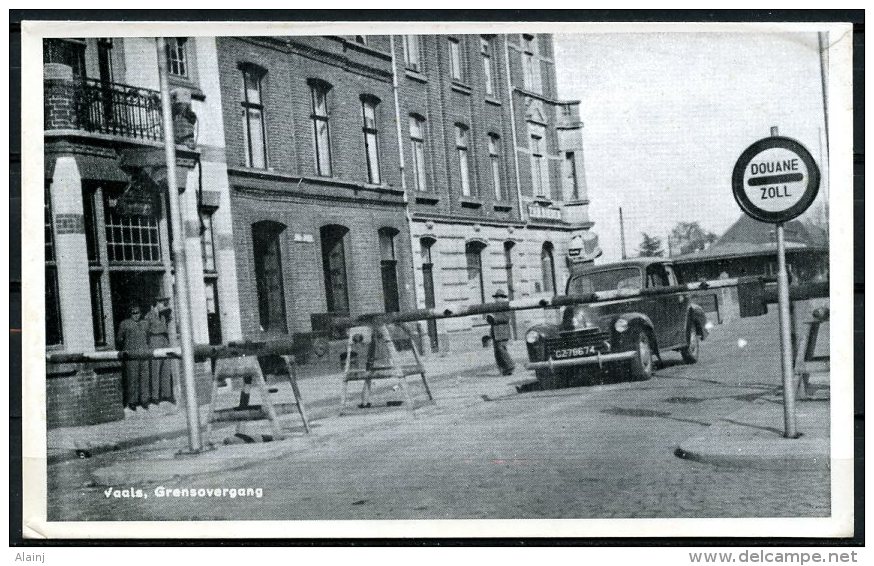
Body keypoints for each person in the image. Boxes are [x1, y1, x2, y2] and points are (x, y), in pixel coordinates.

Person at [116, 304, 150, 412]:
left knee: (144, 378)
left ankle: (144, 400)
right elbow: (119, 339)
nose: (136, 315)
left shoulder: (145, 324)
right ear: (130, 314)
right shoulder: (125, 324)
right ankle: (132, 401)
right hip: (131, 356)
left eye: (138, 313)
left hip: (143, 354)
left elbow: (148, 337)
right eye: (134, 313)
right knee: (132, 379)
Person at [145, 297, 175, 406]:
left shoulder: (164, 315)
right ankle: (155, 396)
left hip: (164, 340)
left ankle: (166, 394)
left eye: (164, 303)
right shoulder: (149, 315)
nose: (164, 304)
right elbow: (146, 330)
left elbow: (169, 320)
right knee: (155, 368)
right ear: (156, 304)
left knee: (166, 367)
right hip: (154, 340)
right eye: (162, 303)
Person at [486, 289, 515, 376]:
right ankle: (504, 369)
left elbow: (506, 318)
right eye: (496, 297)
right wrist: (489, 318)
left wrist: (494, 318)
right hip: (495, 332)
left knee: (501, 349)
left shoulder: (506, 306)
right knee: (497, 352)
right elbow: (491, 319)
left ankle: (510, 365)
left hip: (502, 331)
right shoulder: (495, 307)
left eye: (499, 297)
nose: (497, 299)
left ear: (503, 298)